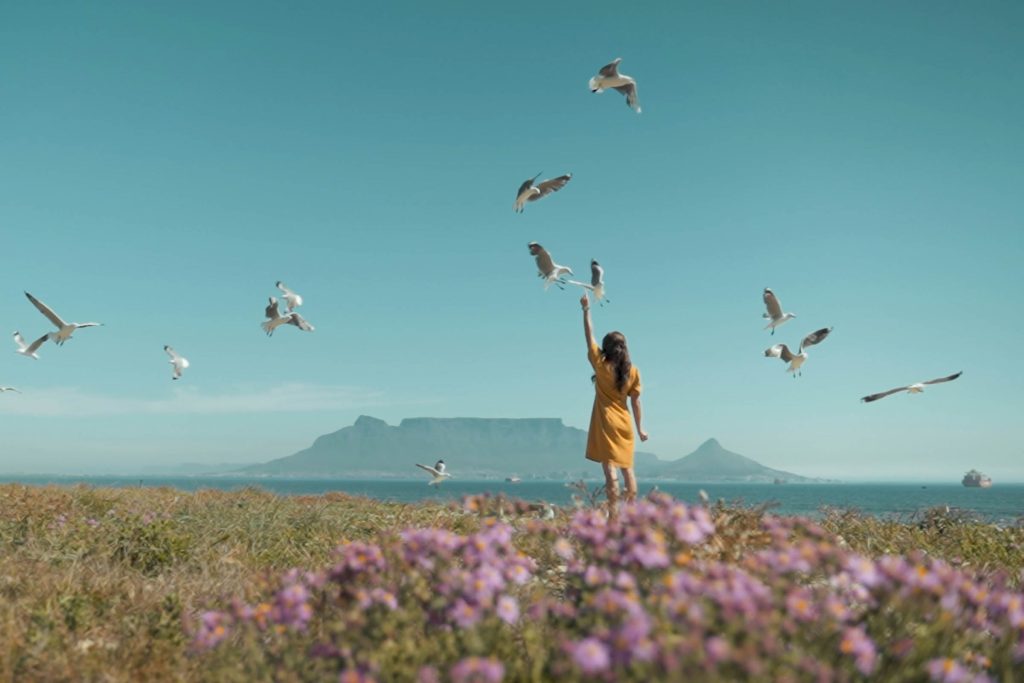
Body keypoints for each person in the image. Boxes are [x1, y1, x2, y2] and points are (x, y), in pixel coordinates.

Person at [580, 292, 648, 519]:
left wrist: (586, 309)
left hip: (607, 422)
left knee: (611, 472)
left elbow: (589, 336)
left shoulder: (600, 364)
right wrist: (640, 429)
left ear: (606, 348)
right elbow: (636, 402)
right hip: (625, 424)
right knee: (628, 469)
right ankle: (631, 513)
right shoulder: (634, 371)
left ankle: (614, 518)